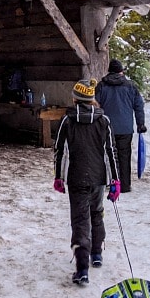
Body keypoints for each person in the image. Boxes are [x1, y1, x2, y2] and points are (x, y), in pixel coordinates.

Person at [53, 78, 120, 285]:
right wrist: (114, 180)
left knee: (81, 220)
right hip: (98, 178)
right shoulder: (104, 121)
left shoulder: (68, 120)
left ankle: (82, 268)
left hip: (76, 177)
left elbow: (61, 151)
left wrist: (59, 176)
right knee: (96, 212)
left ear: (75, 99)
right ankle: (97, 253)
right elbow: (110, 152)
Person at [94, 59, 146, 192]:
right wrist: (141, 124)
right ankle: (125, 185)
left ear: (109, 71)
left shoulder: (101, 86)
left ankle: (111, 183)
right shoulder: (130, 86)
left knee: (109, 155)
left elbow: (94, 105)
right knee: (124, 156)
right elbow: (138, 106)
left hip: (106, 127)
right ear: (121, 71)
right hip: (125, 128)